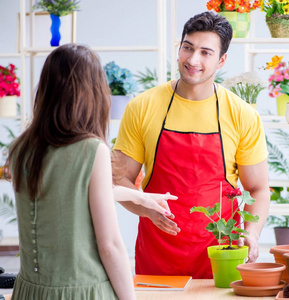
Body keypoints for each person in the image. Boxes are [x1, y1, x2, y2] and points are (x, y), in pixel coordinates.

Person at [8, 43, 177, 299]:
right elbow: (109, 246)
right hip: (82, 291)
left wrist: (138, 196)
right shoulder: (91, 150)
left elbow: (71, 193)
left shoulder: (22, 147)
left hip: (29, 291)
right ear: (93, 93)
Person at [113, 11, 270, 279]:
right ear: (179, 49)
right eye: (188, 48)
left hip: (222, 251)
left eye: (205, 52)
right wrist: (146, 208)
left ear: (222, 60)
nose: (193, 59)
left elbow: (257, 188)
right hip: (158, 251)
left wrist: (250, 234)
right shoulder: (143, 106)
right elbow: (118, 180)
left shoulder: (242, 114)